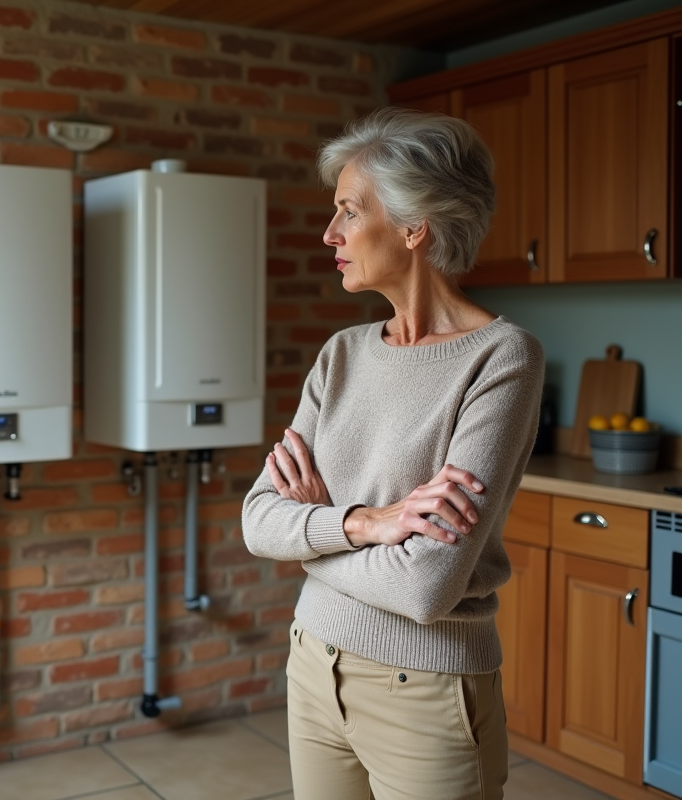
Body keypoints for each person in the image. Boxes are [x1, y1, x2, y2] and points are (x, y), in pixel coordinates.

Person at [241, 107, 544, 800]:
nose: (330, 234)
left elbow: (424, 587)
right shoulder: (342, 355)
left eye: (350, 212)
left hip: (427, 688)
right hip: (313, 665)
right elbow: (257, 521)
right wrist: (367, 523)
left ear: (414, 228)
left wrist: (310, 537)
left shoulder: (501, 359)